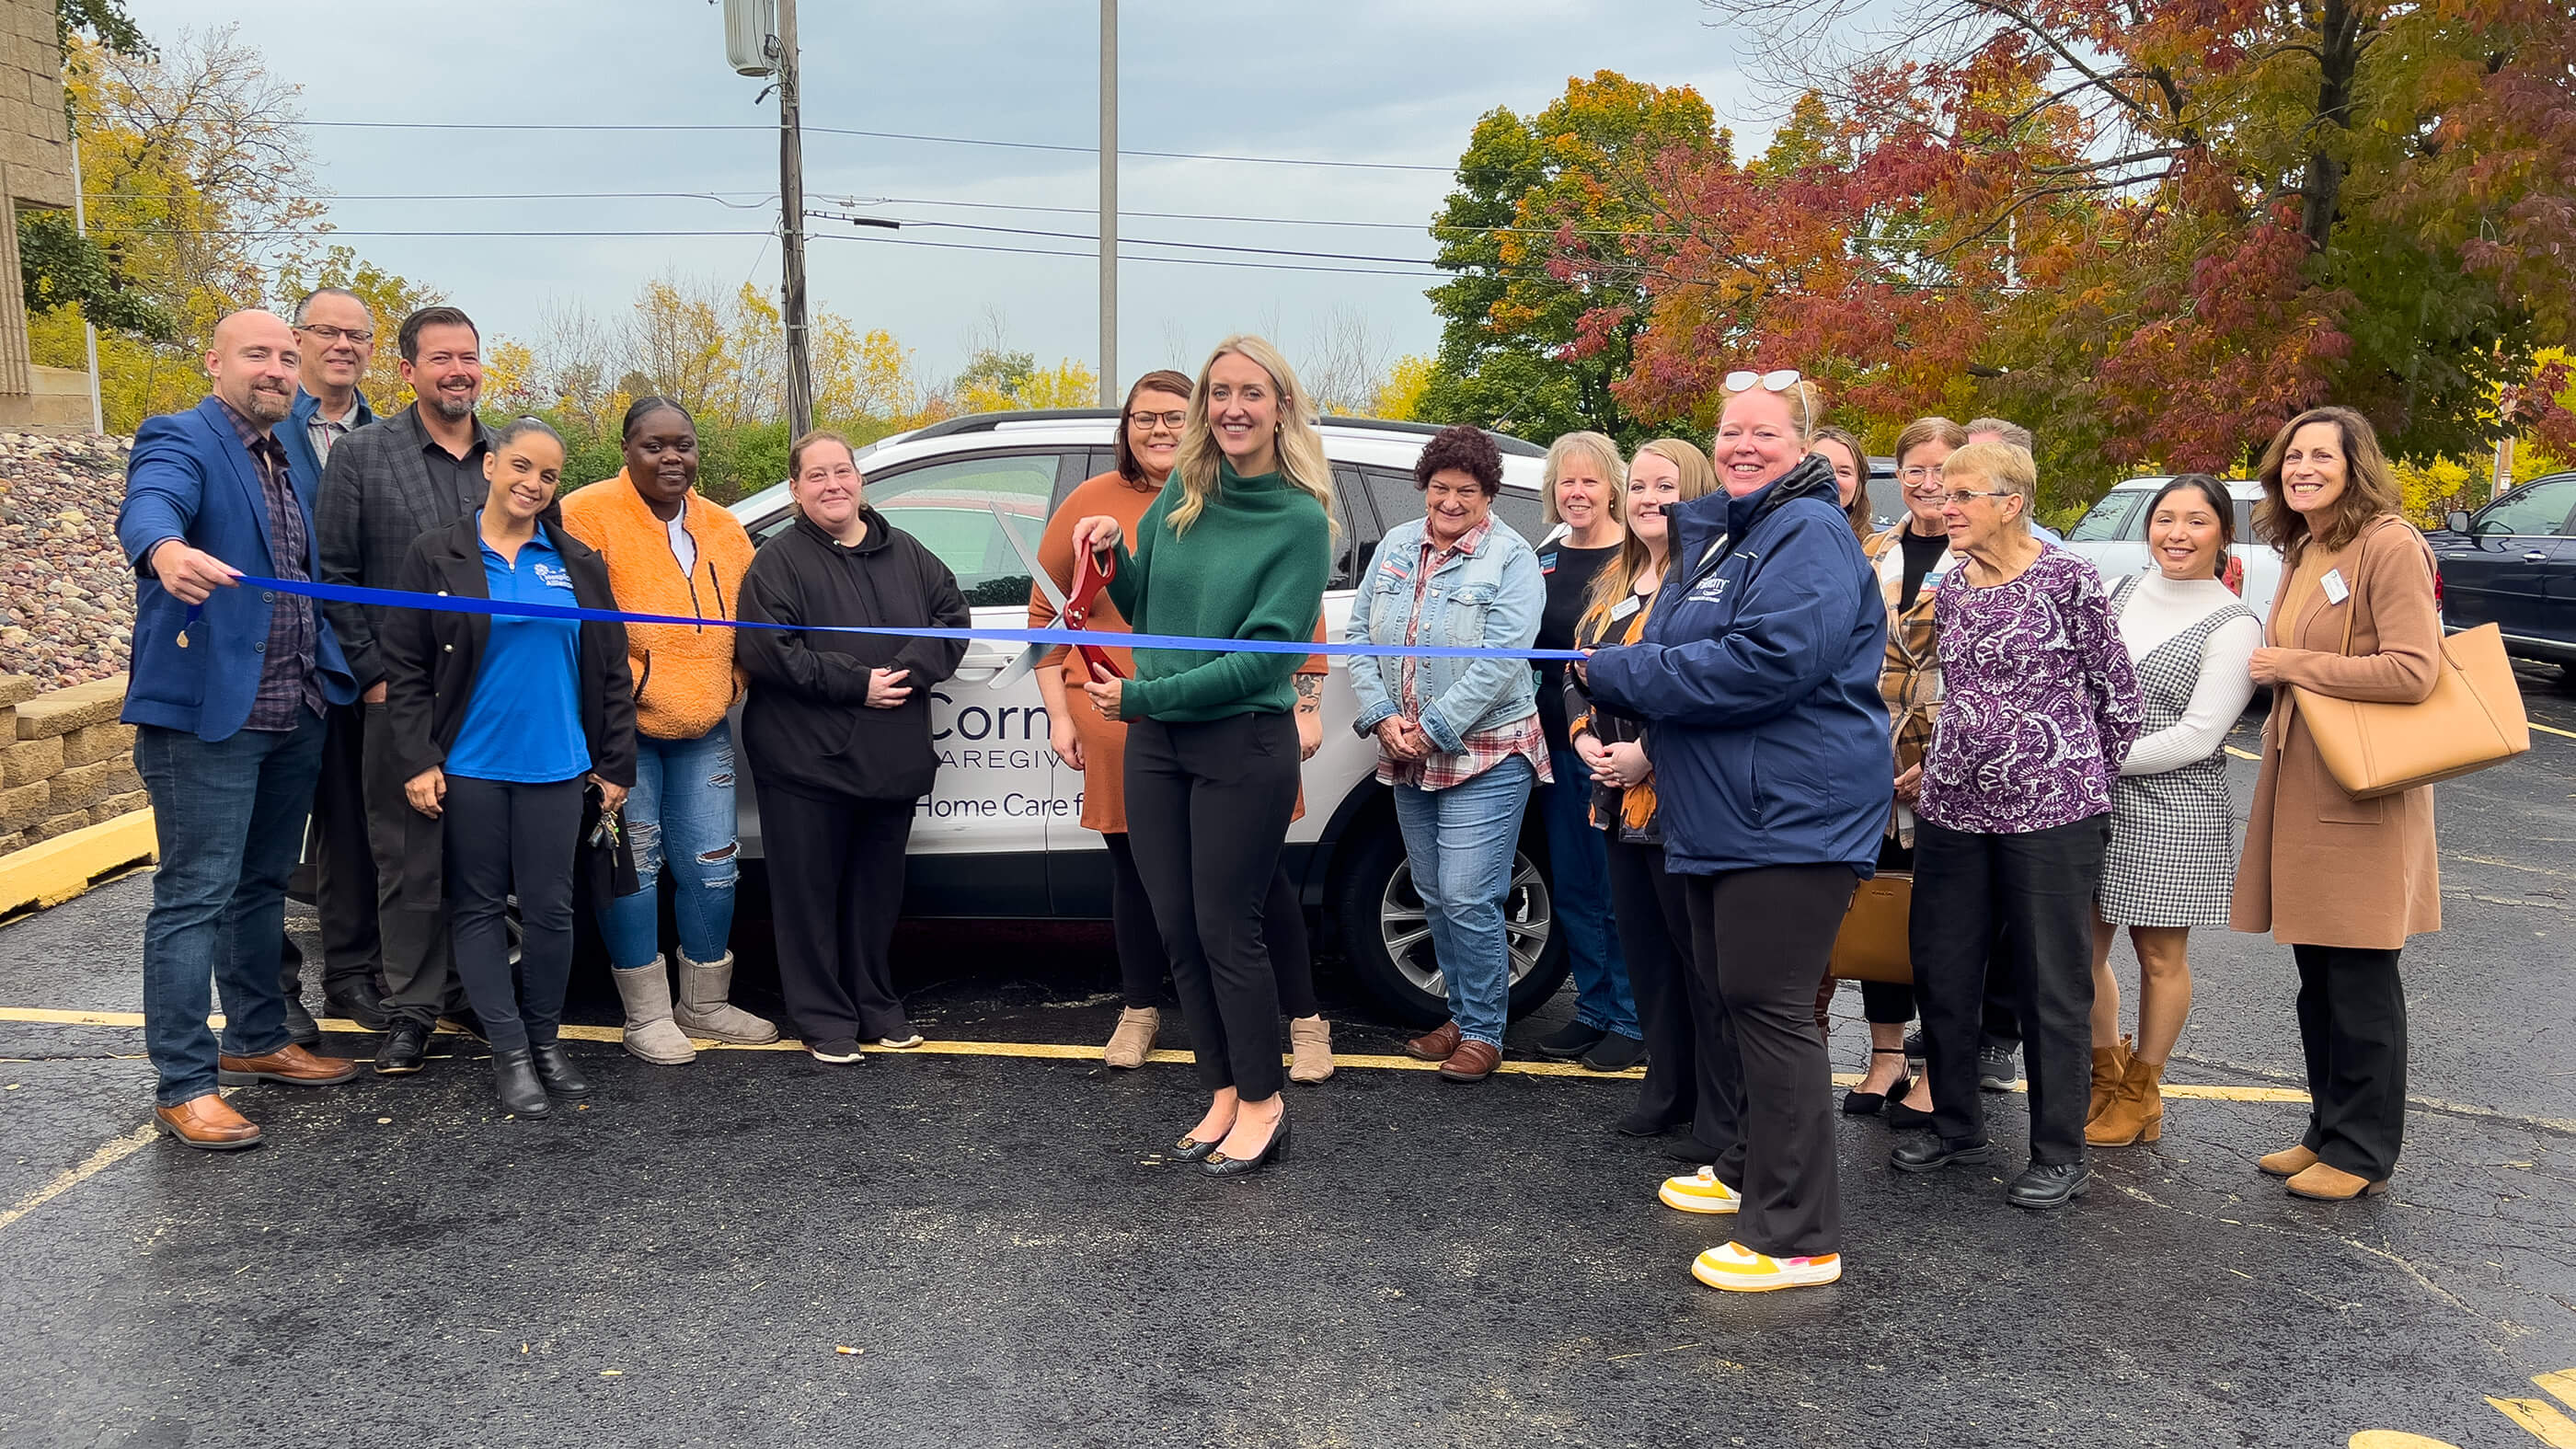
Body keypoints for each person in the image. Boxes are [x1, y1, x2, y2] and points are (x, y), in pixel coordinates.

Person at [1585, 369, 1890, 1294]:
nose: (1742, 446)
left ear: (1801, 447)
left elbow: (1768, 665)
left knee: (1768, 1005)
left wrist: (1623, 675)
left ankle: (1797, 1236)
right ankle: (1748, 1169)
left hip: (1790, 816)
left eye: (1764, 433)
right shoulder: (1731, 537)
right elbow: (1684, 644)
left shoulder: (1806, 534)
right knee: (1736, 997)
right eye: (1729, 432)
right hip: (1723, 811)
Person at [1071, 336, 1331, 1176]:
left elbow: (1264, 660)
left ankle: (1264, 1101)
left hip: (1240, 743)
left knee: (1228, 929)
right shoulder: (1186, 488)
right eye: (1218, 393)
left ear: (1280, 405)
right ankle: (1220, 1092)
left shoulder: (1299, 519)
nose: (1231, 408)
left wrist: (1146, 697)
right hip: (1160, 745)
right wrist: (1112, 556)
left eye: (1250, 393)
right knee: (1178, 928)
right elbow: (1151, 608)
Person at [115, 309, 361, 1149]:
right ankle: (184, 1082)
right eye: (259, 354)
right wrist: (162, 550)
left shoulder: (284, 453)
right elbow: (151, 504)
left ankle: (257, 1039)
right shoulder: (180, 437)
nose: (277, 369)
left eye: (286, 359)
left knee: (259, 888)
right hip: (209, 713)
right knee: (193, 897)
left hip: (294, 705)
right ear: (214, 359)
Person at [1892, 442, 2141, 1211]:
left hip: (2053, 811)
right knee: (1944, 965)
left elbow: (2117, 697)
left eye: (1963, 493)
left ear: (2012, 501)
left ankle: (2058, 1149)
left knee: (2050, 981)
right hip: (1954, 807)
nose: (1945, 504)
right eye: (1941, 492)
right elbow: (1954, 692)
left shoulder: (2068, 578)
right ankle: (1956, 1125)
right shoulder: (1956, 586)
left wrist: (2070, 772)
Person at [381, 418, 635, 1116]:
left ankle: (545, 1038)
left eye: (549, 475)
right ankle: (509, 1051)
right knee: (480, 909)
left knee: (554, 912)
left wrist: (616, 765)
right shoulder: (436, 556)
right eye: (521, 466)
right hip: (470, 768)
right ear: (491, 465)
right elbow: (404, 669)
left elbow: (612, 671)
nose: (533, 483)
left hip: (558, 766)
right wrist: (418, 759)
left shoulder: (577, 562)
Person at [2234, 407, 2442, 1201]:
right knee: (2316, 971)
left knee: (2358, 974)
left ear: (2357, 465)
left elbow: (2413, 671)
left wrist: (2293, 661)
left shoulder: (2389, 544)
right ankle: (2328, 1125)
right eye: (2293, 456)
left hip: (2362, 788)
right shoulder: (2308, 544)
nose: (2303, 467)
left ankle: (2362, 1150)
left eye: (2322, 455)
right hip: (2304, 781)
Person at [559, 397, 777, 1064]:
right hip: (622, 733)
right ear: (626, 449)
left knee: (714, 867)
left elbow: (751, 620)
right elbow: (566, 624)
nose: (671, 457)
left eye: (682, 443)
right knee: (635, 868)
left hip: (704, 725)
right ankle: (646, 1015)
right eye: (654, 445)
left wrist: (732, 684)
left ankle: (704, 1002)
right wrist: (606, 713)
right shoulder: (584, 514)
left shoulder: (723, 527)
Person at [740, 431, 969, 1064]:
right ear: (794, 490)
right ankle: (823, 1016)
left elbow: (954, 618)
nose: (832, 485)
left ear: (860, 481)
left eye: (842, 471)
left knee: (874, 894)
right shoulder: (778, 561)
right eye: (816, 476)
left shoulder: (909, 554)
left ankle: (875, 1004)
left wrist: (906, 667)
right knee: (808, 895)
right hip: (803, 763)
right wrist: (856, 682)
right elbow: (767, 651)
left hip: (890, 760)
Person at [316, 305, 494, 1075]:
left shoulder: (508, 456)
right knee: (408, 858)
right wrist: (376, 674)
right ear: (408, 370)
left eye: (469, 357)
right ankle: (411, 1008)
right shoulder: (364, 455)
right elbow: (335, 577)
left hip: (493, 697)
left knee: (481, 855)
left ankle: (473, 993)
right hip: (405, 696)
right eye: (442, 358)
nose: (458, 370)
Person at [1346, 425, 1547, 1086]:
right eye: (1440, 488)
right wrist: (1380, 716)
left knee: (1468, 893)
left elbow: (1500, 663)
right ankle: (1461, 1015)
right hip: (1404, 748)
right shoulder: (1399, 546)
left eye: (1467, 490)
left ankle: (1487, 1031)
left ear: (1488, 493)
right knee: (1434, 891)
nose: (1451, 501)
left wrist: (1429, 727)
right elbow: (1359, 633)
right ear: (1424, 488)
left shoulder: (1511, 559)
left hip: (1487, 750)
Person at [1566, 439, 1735, 1154]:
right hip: (1612, 800)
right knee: (1648, 957)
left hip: (1680, 803)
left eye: (1666, 487)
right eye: (1638, 487)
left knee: (1703, 964)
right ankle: (1666, 1089)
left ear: (1694, 494)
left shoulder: (1709, 584)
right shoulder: (1612, 580)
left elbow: (1712, 684)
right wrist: (1584, 741)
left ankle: (1718, 1115)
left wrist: (1647, 753)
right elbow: (1575, 674)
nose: (1648, 500)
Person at [2086, 476, 2260, 1147]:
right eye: (2165, 519)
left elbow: (2197, 735)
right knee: (2080, 947)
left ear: (2223, 533)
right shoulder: (2121, 593)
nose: (2177, 534)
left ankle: (2142, 1091)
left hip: (2175, 806)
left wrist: (2085, 757)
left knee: (2157, 955)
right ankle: (2106, 1075)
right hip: (2095, 799)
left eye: (2196, 521)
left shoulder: (2234, 623)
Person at [1845, 417, 1967, 1125]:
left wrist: (1941, 757)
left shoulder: (1983, 555)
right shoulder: (1870, 550)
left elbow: (1991, 677)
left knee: (1945, 924)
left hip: (1955, 758)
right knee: (1876, 910)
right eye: (1914, 469)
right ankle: (1886, 1055)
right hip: (1871, 757)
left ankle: (1939, 1067)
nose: (1927, 483)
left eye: (1942, 469)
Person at [276, 287, 385, 1041]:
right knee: (271, 839)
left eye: (358, 335)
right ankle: (271, 990)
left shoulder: (389, 438)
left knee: (352, 829)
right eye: (328, 332)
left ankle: (351, 977)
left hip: (357, 662)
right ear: (298, 338)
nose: (343, 345)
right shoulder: (258, 428)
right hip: (276, 662)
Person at [1530, 431, 1642, 1071]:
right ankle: (1593, 1007)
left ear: (1611, 488)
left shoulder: (1631, 557)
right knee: (1572, 879)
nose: (1577, 491)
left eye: (1590, 480)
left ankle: (1632, 1015)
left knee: (1613, 883)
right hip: (1549, 736)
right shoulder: (1544, 556)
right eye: (1566, 481)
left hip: (1609, 739)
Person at [1811, 425, 1874, 539]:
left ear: (1859, 485)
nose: (1831, 478)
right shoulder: (1776, 533)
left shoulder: (1874, 548)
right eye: (1819, 467)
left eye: (1844, 472)